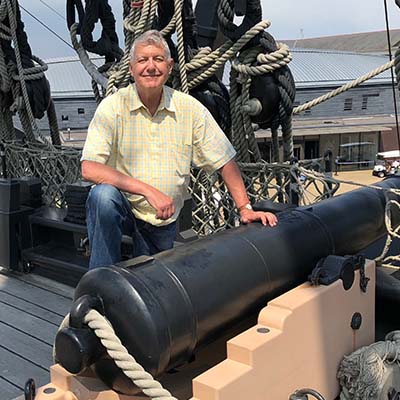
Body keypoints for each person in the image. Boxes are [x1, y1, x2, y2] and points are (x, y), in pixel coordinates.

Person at [81, 30, 278, 269]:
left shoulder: (188, 109)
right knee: (102, 197)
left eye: (158, 59)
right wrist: (147, 191)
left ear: (170, 66)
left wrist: (245, 208)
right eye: (142, 60)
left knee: (152, 277)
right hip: (123, 208)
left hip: (162, 219)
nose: (150, 67)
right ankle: (100, 278)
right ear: (131, 69)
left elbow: (224, 159)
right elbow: (89, 168)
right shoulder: (112, 107)